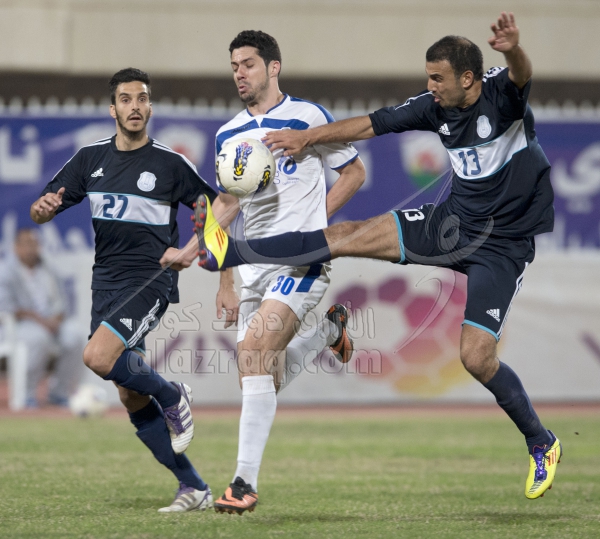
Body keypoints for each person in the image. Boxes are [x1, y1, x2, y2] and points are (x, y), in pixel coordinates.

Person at [192, 13, 562, 500]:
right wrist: (307, 139)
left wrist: (512, 48)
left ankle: (541, 441)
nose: (429, 87)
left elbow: (520, 72)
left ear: (469, 79)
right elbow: (374, 123)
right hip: (449, 226)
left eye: (438, 78)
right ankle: (237, 254)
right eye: (428, 77)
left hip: (501, 246)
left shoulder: (501, 96)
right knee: (344, 235)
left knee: (475, 357)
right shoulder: (435, 106)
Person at [165, 30, 365, 515]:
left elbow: (355, 174)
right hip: (250, 267)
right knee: (260, 379)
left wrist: (314, 228)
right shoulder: (229, 133)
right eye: (234, 66)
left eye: (249, 64)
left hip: (301, 261)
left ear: (274, 67)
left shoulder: (308, 117)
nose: (240, 73)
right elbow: (227, 204)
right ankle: (327, 334)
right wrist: (208, 266)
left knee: (254, 352)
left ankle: (243, 484)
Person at [30, 67, 240, 512]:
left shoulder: (169, 163)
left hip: (150, 278)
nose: (135, 107)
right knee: (129, 393)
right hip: (105, 282)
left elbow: (219, 211)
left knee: (96, 356)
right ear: (113, 109)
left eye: (142, 98)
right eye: (126, 99)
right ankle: (194, 488)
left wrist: (223, 278)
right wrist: (43, 210)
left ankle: (172, 394)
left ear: (150, 107)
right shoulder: (89, 159)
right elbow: (42, 208)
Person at [0, 227, 85, 407]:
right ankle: (26, 393)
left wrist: (56, 319)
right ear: (16, 247)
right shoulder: (5, 271)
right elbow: (7, 307)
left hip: (51, 323)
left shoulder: (49, 268)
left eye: (35, 244)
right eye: (26, 244)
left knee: (75, 335)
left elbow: (62, 302)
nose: (31, 248)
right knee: (38, 337)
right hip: (18, 326)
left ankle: (59, 392)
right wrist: (41, 321)